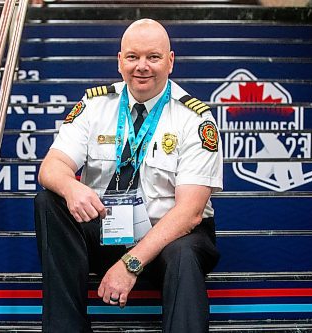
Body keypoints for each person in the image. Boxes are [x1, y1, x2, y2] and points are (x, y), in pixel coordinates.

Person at [34, 18, 222, 333]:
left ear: (170, 62)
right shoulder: (95, 105)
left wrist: (129, 265)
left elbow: (189, 213)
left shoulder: (195, 118)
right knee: (49, 201)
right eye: (133, 57)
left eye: (153, 57)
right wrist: (71, 187)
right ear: (120, 61)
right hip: (108, 229)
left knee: (184, 254)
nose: (142, 67)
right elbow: (51, 167)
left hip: (170, 238)